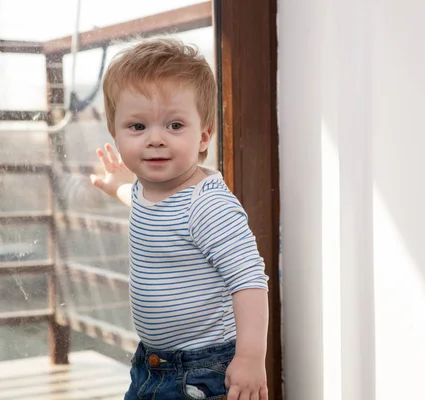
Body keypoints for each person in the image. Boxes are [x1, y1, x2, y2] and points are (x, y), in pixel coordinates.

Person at [89, 37, 269, 400]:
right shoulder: (145, 189)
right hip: (150, 365)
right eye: (137, 127)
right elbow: (142, 206)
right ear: (115, 133)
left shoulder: (207, 205)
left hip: (203, 371)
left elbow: (249, 279)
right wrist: (116, 186)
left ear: (203, 136)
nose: (155, 139)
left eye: (174, 126)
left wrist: (250, 357)